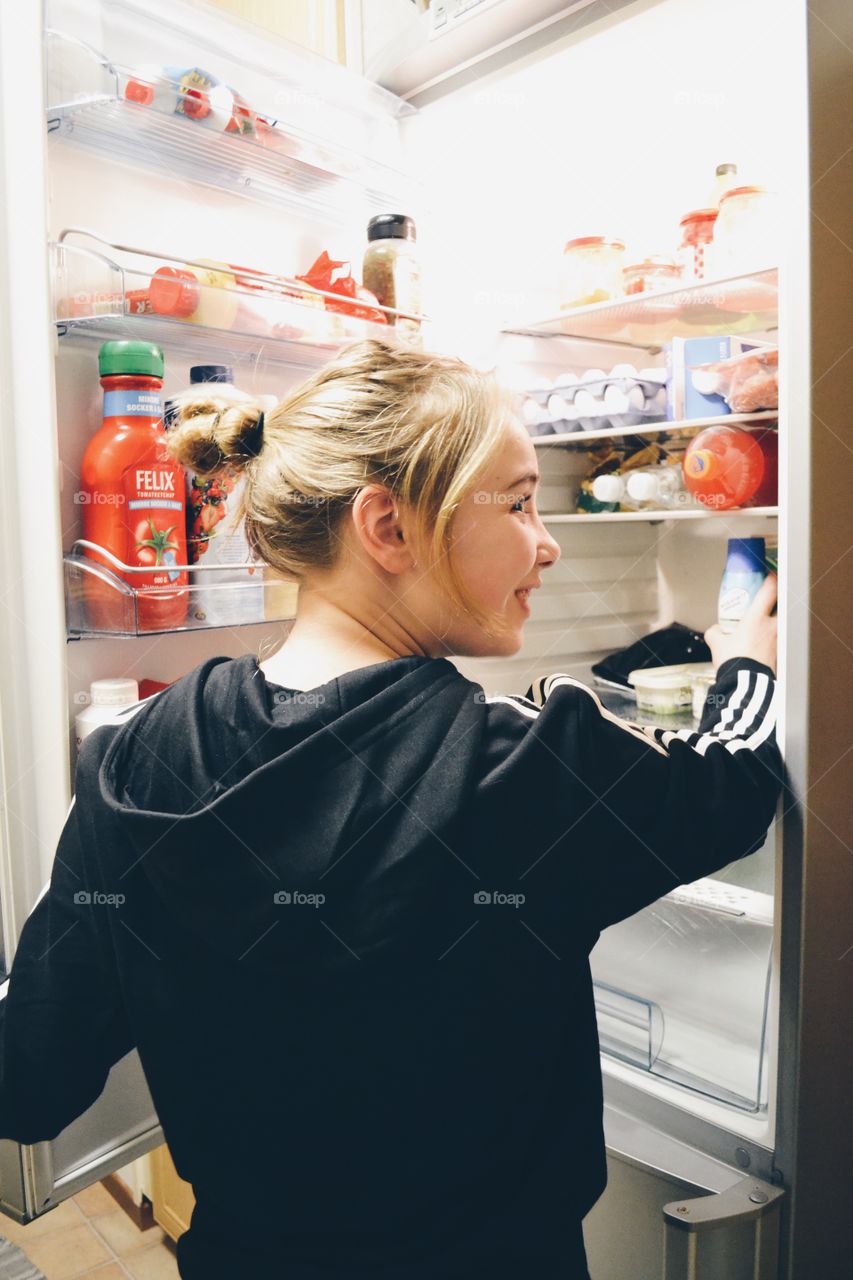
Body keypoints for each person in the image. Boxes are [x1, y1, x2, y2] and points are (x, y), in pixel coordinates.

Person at [0, 340, 781, 1279]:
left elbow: (32, 1076)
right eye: (522, 501)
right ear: (390, 528)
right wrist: (751, 660)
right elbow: (731, 786)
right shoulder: (517, 769)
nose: (548, 540)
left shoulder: (135, 752)